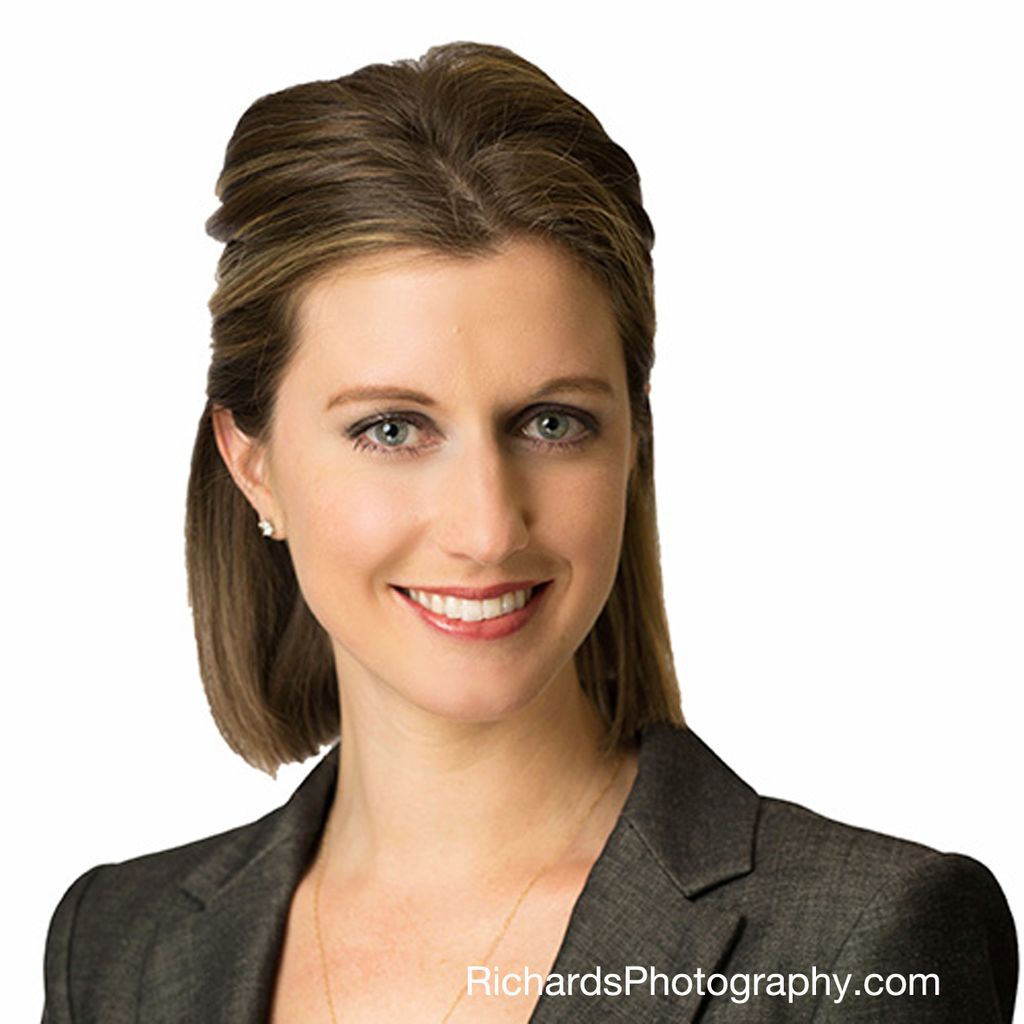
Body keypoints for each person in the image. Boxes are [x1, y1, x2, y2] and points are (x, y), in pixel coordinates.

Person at [42, 41, 1016, 1023]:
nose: (483, 527)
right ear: (252, 460)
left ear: (632, 438)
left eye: (551, 422)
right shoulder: (116, 947)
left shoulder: (858, 944)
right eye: (391, 428)